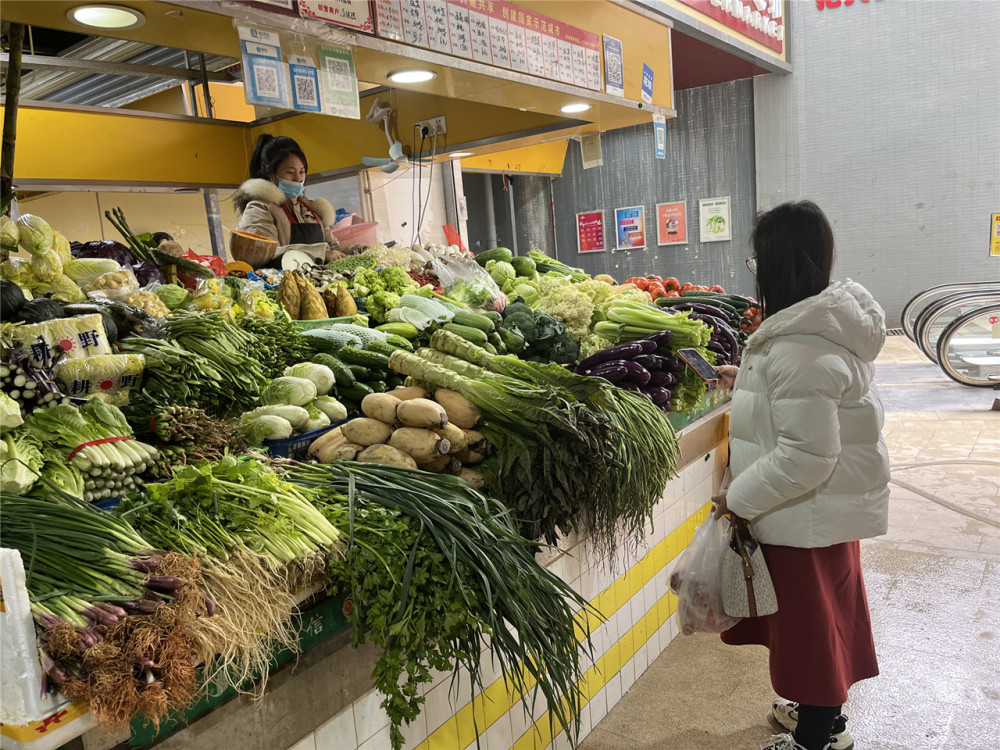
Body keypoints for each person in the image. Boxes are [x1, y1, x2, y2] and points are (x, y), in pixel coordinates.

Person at [711, 201, 890, 750]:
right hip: (822, 512)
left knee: (811, 631)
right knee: (824, 621)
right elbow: (807, 402)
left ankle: (815, 738)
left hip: (802, 513)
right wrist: (748, 380)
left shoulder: (799, 345)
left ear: (777, 265)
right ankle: (823, 717)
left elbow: (808, 457)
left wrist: (736, 498)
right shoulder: (819, 329)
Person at [233, 134, 347, 266]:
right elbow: (263, 253)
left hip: (319, 282)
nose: (298, 179)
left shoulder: (310, 209)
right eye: (290, 172)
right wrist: (319, 254)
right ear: (270, 171)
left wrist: (360, 251)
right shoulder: (259, 208)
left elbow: (332, 249)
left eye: (302, 171)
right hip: (281, 284)